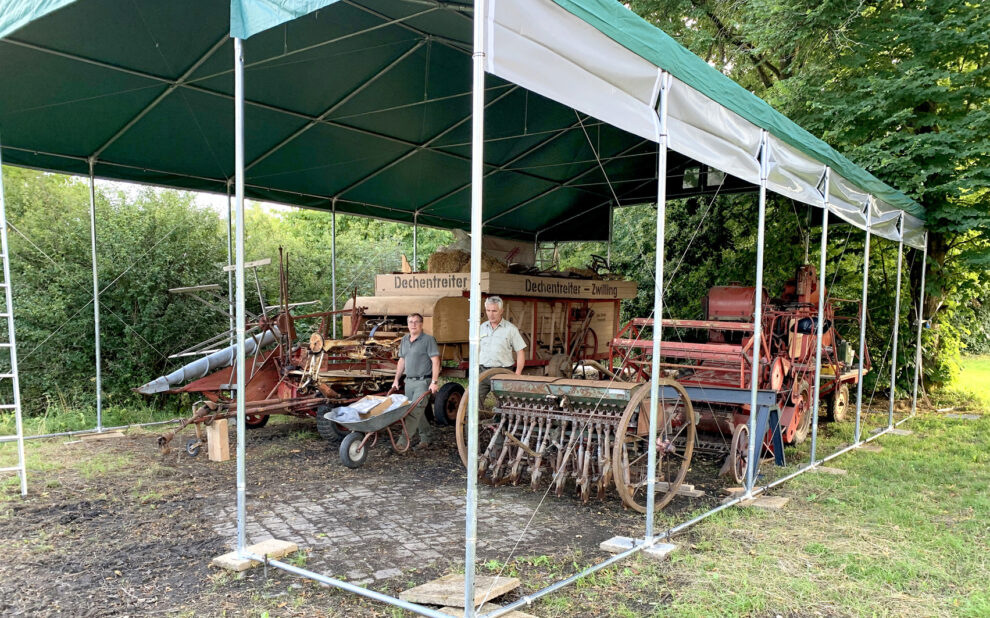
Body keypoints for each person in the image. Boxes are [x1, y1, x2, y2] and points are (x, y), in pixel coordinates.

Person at [391, 313, 440, 450]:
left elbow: (435, 361)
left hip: (423, 381)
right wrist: (396, 380)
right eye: (410, 322)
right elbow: (402, 361)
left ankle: (402, 442)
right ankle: (426, 437)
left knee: (414, 411)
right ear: (407, 324)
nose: (413, 324)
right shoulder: (405, 340)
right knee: (418, 410)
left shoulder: (428, 340)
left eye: (416, 322)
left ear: (421, 324)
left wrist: (434, 382)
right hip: (409, 382)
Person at [478, 296, 527, 409]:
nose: (491, 314)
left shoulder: (510, 329)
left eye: (494, 311)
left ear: (501, 311)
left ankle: (501, 426)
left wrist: (517, 374)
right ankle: (472, 426)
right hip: (483, 372)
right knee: (473, 403)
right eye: (488, 310)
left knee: (505, 406)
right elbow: (476, 350)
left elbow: (520, 351)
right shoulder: (481, 328)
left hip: (503, 372)